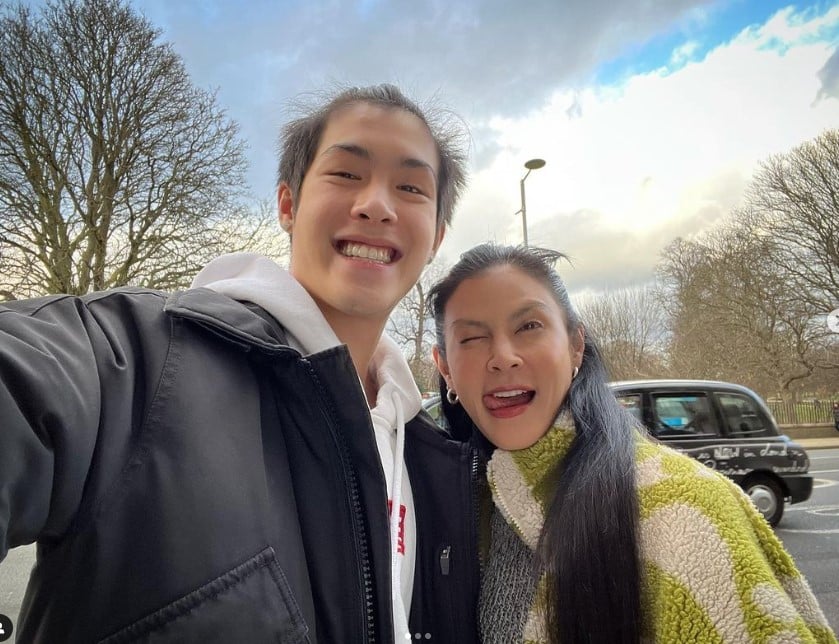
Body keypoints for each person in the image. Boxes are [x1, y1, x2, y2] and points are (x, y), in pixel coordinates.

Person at [0, 84, 479, 643]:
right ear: (288, 206)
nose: (377, 204)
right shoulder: (138, 361)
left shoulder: (426, 449)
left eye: (411, 187)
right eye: (347, 174)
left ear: (436, 236)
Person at [428, 243, 837, 644]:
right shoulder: (448, 508)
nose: (503, 357)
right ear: (445, 367)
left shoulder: (688, 508)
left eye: (528, 327)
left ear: (575, 345)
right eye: (472, 338)